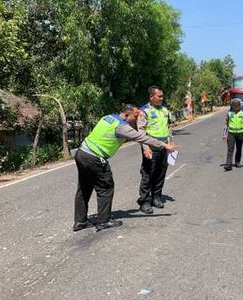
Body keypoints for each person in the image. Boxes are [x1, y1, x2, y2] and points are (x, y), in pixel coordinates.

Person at [73, 104, 178, 232]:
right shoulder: (122, 127)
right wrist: (165, 146)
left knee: (84, 187)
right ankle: (103, 221)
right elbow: (142, 137)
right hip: (94, 157)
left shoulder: (108, 117)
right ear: (127, 115)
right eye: (135, 116)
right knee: (106, 187)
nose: (136, 119)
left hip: (81, 153)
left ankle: (80, 221)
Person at [137, 86, 173, 214]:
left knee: (161, 172)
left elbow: (168, 127)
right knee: (148, 174)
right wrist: (145, 148)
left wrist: (169, 143)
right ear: (151, 97)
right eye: (159, 96)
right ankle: (145, 201)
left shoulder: (164, 110)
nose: (162, 98)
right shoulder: (144, 111)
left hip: (164, 145)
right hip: (151, 146)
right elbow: (141, 131)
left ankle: (156, 197)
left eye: (162, 96)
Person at [223, 98, 243, 171]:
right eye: (234, 106)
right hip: (231, 133)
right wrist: (224, 134)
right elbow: (226, 124)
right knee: (230, 149)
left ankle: (237, 162)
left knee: (239, 149)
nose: (235, 107)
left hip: (240, 133)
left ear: (239, 106)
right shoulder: (229, 113)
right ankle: (228, 165)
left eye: (237, 106)